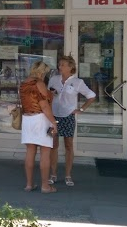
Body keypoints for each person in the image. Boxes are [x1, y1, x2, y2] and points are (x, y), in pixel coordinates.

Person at [48, 55, 96, 187]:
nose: (60, 67)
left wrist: (81, 109)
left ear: (71, 67)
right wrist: (50, 96)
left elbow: (91, 96)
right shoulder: (53, 79)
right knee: (53, 145)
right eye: (59, 64)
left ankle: (68, 175)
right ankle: (53, 174)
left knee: (68, 145)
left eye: (63, 65)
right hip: (54, 115)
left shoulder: (77, 82)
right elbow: (47, 95)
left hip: (68, 116)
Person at [20, 61, 59, 194]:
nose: (45, 76)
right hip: (40, 119)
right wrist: (53, 122)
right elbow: (44, 106)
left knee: (30, 151)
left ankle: (29, 184)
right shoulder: (39, 83)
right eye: (45, 73)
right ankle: (45, 186)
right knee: (45, 152)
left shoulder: (24, 83)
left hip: (27, 119)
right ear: (42, 72)